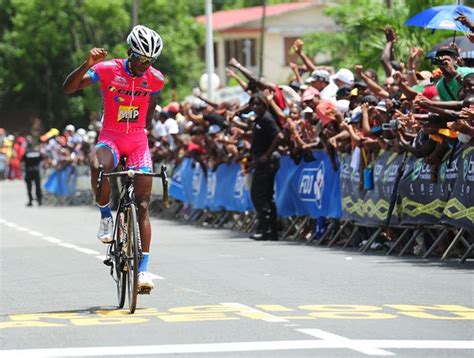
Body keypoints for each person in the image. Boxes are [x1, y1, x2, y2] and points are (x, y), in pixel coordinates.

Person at [63, 25, 165, 292]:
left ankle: (143, 271)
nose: (144, 65)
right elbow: (69, 89)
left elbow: (150, 112)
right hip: (111, 136)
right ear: (130, 52)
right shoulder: (109, 69)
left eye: (150, 61)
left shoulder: (156, 79)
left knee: (143, 205)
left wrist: (146, 132)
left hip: (138, 141)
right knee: (99, 164)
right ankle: (106, 215)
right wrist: (87, 65)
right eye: (141, 58)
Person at [248, 93, 284, 241]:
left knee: (259, 194)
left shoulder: (267, 118)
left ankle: (265, 228)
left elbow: (279, 136)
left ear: (264, 105)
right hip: (261, 161)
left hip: (267, 162)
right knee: (267, 195)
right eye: (253, 104)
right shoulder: (259, 119)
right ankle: (271, 230)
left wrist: (267, 155)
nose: (255, 107)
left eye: (258, 104)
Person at [22, 138, 44, 206]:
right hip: (36, 171)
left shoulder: (26, 153)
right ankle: (39, 200)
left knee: (29, 187)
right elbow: (42, 160)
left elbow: (22, 161)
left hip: (29, 171)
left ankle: (30, 201)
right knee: (38, 187)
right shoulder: (37, 152)